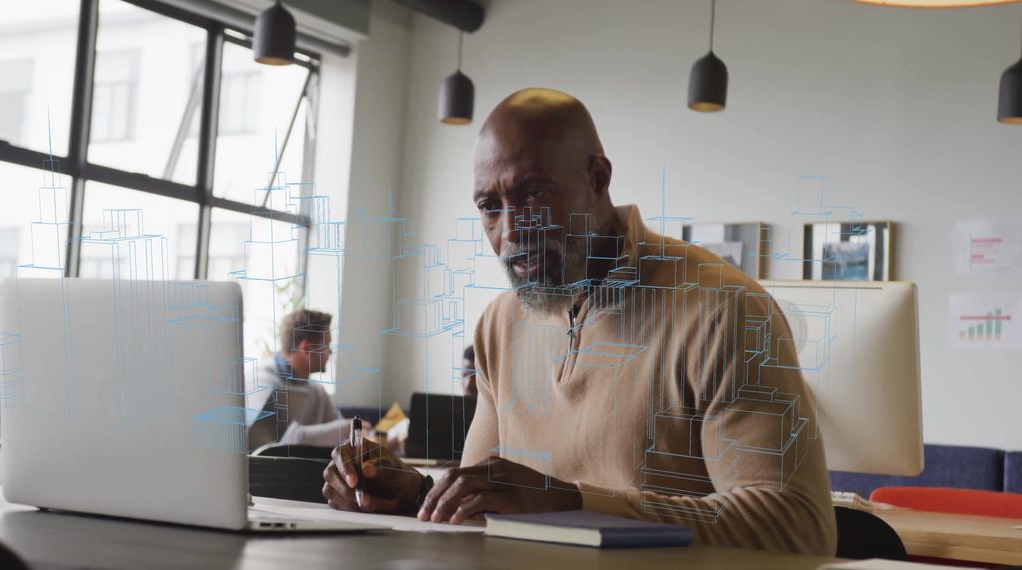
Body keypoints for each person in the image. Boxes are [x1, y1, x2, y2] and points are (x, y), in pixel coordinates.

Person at [322, 88, 836, 555]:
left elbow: (795, 528)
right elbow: (489, 503)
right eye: (489, 207)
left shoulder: (725, 310)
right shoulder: (499, 325)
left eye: (533, 196)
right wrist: (417, 494)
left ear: (597, 179)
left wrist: (570, 503)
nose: (511, 232)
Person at [247, 308, 366, 451]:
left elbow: (343, 436)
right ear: (307, 348)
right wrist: (346, 427)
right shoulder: (261, 383)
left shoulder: (317, 391)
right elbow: (273, 448)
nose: (330, 352)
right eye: (326, 345)